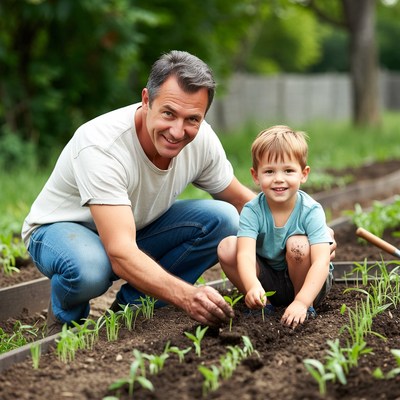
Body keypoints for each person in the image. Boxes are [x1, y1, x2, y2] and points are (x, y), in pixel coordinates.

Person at [22, 50, 256, 335]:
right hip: (63, 230)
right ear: (147, 100)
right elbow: (120, 252)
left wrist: (300, 227)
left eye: (192, 119)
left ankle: (130, 313)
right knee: (89, 269)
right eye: (168, 114)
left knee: (223, 219)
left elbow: (241, 201)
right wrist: (186, 296)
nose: (178, 131)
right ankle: (64, 322)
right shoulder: (102, 145)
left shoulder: (202, 139)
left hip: (133, 230)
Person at [217, 125, 334, 329]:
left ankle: (305, 308)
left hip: (308, 284)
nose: (279, 178)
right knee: (228, 247)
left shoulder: (311, 210)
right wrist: (252, 285)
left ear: (303, 174)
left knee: (298, 244)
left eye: (288, 170)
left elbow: (321, 262)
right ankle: (263, 305)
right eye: (269, 171)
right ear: (256, 176)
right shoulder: (252, 211)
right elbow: (244, 255)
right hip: (268, 282)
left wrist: (302, 301)